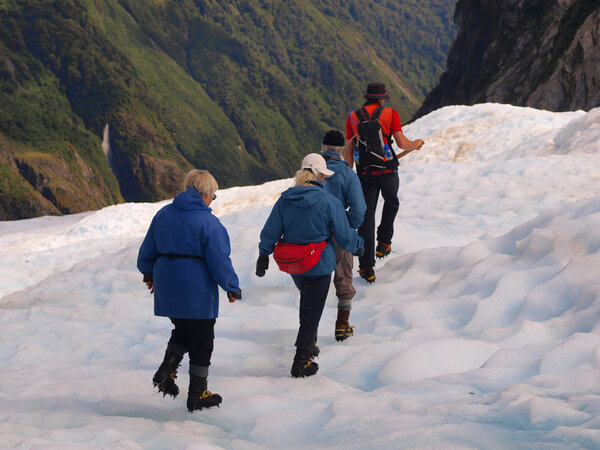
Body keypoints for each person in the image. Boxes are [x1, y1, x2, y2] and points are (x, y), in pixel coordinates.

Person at [137, 169, 242, 412]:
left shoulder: (163, 214)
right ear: (205, 194)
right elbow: (219, 260)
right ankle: (197, 394)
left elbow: (147, 249)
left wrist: (148, 274)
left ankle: (167, 370)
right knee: (203, 339)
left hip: (167, 284)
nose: (212, 200)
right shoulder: (209, 223)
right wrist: (231, 286)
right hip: (196, 287)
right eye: (213, 196)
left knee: (183, 329)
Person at [255, 153, 364, 378]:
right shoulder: (329, 202)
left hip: (294, 264)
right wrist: (359, 246)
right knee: (312, 312)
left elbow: (271, 229)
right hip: (319, 263)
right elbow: (344, 236)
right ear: (319, 176)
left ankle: (309, 347)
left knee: (308, 305)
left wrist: (263, 254)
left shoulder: (285, 199)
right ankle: (301, 361)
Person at [344, 81, 425, 283]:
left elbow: (349, 149)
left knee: (366, 216)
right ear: (382, 99)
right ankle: (384, 242)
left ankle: (366, 267)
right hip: (387, 170)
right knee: (391, 201)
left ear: (366, 98)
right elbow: (401, 143)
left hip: (365, 173)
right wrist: (416, 144)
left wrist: (349, 173)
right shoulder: (390, 114)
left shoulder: (353, 118)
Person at [320, 130, 366, 341]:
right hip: (340, 233)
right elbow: (359, 209)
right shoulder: (349, 175)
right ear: (341, 150)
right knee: (344, 279)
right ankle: (342, 324)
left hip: (314, 232)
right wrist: (347, 227)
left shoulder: (311, 171)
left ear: (323, 147)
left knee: (315, 280)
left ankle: (310, 332)